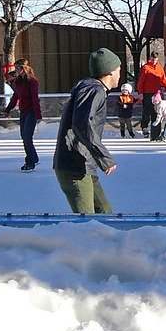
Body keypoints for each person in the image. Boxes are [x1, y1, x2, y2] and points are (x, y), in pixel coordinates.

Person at [53, 48, 122, 214]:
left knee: (105, 214)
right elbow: (83, 125)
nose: (120, 74)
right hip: (75, 166)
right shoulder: (94, 90)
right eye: (119, 70)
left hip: (85, 165)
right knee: (87, 224)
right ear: (110, 71)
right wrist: (103, 157)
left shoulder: (94, 89)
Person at [2, 58, 41, 171]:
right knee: (24, 136)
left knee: (27, 136)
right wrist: (8, 109)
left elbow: (35, 98)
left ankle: (30, 161)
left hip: (31, 111)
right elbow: (15, 97)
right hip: (23, 111)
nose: (17, 71)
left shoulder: (32, 81)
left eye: (19, 68)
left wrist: (38, 114)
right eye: (16, 68)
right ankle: (33, 158)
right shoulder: (18, 82)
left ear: (24, 68)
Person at [137, 51, 166, 138]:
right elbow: (141, 81)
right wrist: (140, 93)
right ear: (150, 59)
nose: (154, 62)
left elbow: (163, 79)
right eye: (152, 60)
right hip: (147, 92)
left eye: (155, 60)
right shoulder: (146, 68)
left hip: (157, 93)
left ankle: (155, 129)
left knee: (156, 111)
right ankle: (144, 127)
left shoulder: (159, 68)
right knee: (147, 110)